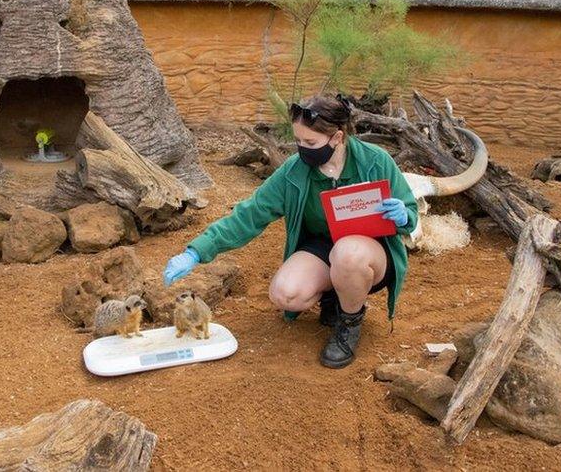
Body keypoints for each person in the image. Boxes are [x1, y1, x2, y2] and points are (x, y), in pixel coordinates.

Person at [162, 94, 418, 369]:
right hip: (323, 248)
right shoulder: (294, 171)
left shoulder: (375, 160)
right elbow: (251, 213)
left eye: (310, 143)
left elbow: (410, 212)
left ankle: (349, 322)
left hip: (368, 254)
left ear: (337, 137)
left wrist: (403, 215)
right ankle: (334, 297)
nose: (302, 149)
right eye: (298, 141)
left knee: (348, 255)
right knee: (286, 294)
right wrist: (196, 251)